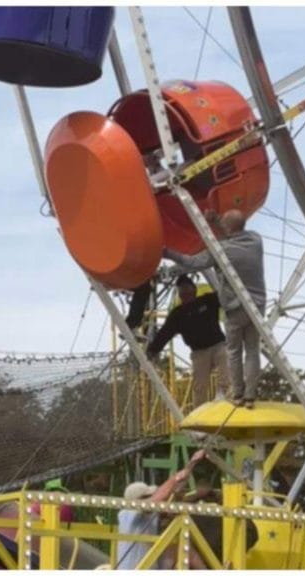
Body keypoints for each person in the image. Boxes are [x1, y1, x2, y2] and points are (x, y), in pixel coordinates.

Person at [164, 209, 266, 408]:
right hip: (257, 305)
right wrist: (218, 221)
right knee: (252, 351)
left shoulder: (221, 250)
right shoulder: (256, 240)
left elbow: (192, 262)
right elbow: (233, 231)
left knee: (234, 351)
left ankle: (237, 394)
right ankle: (250, 396)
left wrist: (168, 253)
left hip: (235, 309)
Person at [116, 449, 205, 569]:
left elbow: (173, 492)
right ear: (138, 499)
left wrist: (191, 464)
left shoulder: (147, 515)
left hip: (148, 568)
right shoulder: (128, 513)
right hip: (135, 569)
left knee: (183, 549)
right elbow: (160, 496)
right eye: (149, 496)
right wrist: (175, 478)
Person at [146, 275, 230, 403]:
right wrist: (153, 349)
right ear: (180, 295)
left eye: (187, 289)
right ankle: (199, 410)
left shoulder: (207, 300)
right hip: (199, 352)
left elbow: (225, 295)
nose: (185, 293)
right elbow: (165, 333)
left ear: (194, 290)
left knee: (226, 359)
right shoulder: (177, 314)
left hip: (218, 345)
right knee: (199, 385)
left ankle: (223, 392)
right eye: (182, 291)